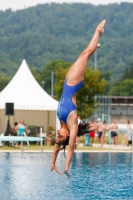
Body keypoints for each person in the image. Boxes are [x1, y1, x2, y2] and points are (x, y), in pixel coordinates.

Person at [51, 20, 106, 178]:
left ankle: (95, 44)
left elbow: (56, 147)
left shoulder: (62, 124)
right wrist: (67, 167)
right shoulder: (71, 125)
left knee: (85, 54)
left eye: (57, 135)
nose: (57, 134)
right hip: (73, 83)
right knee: (85, 53)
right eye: (60, 136)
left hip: (68, 82)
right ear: (67, 135)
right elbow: (70, 148)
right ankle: (98, 31)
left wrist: (53, 163)